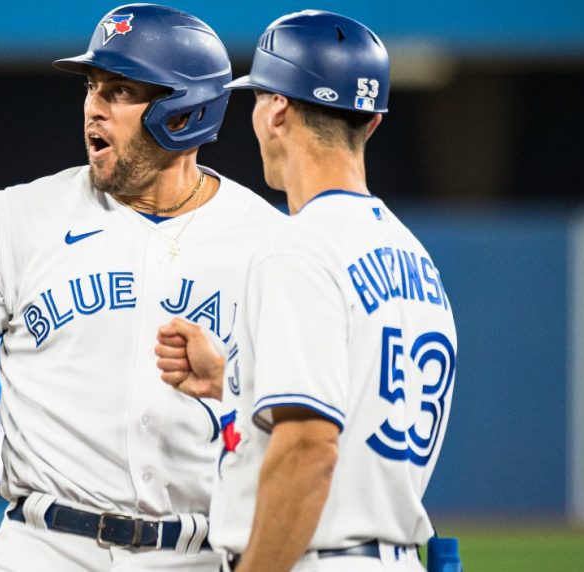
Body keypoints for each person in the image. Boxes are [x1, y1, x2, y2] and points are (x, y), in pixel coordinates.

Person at [0, 4, 282, 571]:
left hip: (198, 554)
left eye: (120, 90)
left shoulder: (268, 244)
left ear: (185, 112)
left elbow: (302, 417)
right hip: (45, 546)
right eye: (92, 86)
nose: (93, 108)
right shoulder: (19, 217)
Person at [155, 11, 458, 572]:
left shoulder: (298, 248)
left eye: (257, 98)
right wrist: (234, 381)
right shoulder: (417, 260)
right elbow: (363, 402)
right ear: (370, 122)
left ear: (277, 109)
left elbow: (309, 449)